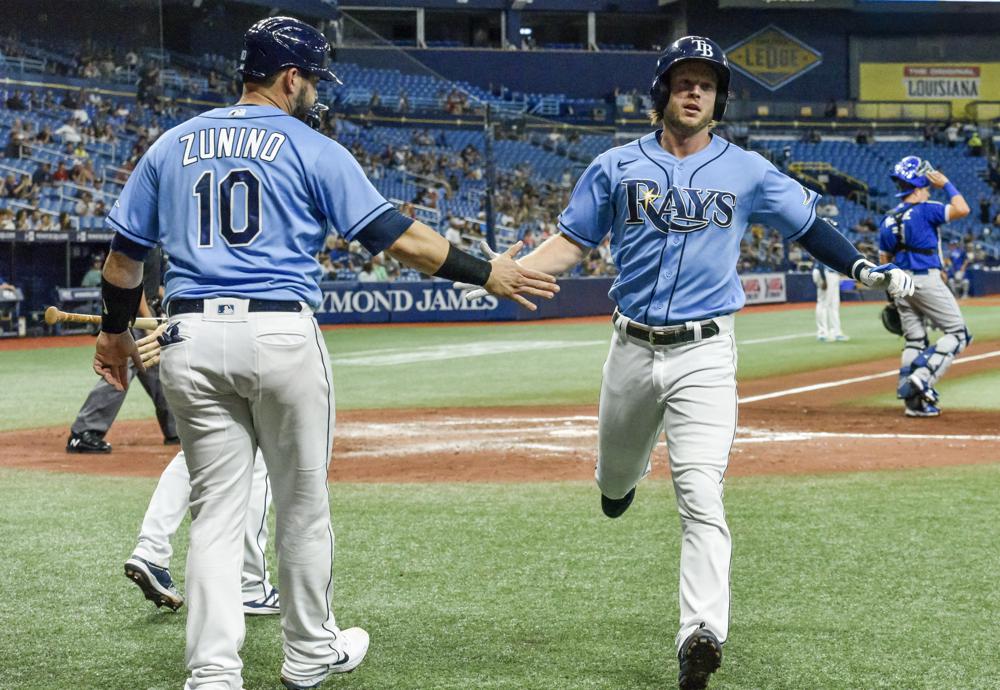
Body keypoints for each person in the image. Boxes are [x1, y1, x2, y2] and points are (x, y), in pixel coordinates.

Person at [91, 17, 556, 690]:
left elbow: (122, 263)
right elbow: (402, 240)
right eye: (312, 79)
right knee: (301, 505)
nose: (315, 92)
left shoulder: (173, 144)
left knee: (216, 514)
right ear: (289, 77)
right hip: (279, 335)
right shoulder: (311, 147)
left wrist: (112, 335)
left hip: (190, 340)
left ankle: (213, 675)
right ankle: (309, 655)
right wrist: (487, 272)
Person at [463, 35, 912, 690]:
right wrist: (501, 272)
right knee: (616, 480)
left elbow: (808, 226)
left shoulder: (749, 170)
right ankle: (617, 486)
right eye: (684, 81)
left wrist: (862, 267)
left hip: (705, 351)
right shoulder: (616, 166)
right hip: (631, 348)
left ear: (719, 99)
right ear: (663, 93)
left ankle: (700, 635)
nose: (695, 90)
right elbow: (570, 244)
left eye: (707, 83)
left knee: (700, 490)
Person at [125, 331, 279, 615]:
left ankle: (151, 548)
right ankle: (252, 585)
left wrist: (181, 324)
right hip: (238, 339)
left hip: (184, 346)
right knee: (256, 456)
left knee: (196, 451)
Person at [879, 156, 971, 418]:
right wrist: (947, 185)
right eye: (926, 186)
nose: (929, 190)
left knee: (915, 340)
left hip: (899, 283)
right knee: (958, 333)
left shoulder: (888, 219)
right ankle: (921, 378)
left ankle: (913, 403)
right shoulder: (926, 208)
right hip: (925, 278)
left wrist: (890, 297)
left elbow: (883, 261)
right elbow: (962, 209)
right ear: (918, 187)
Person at [67, 248, 176, 453]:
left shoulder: (156, 242)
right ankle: (84, 431)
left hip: (146, 311)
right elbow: (136, 284)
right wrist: (147, 320)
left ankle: (175, 429)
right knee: (122, 370)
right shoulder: (145, 240)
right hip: (134, 315)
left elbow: (152, 286)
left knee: (157, 368)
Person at [812, 261, 849, 342]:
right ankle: (823, 333)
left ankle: (835, 332)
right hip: (825, 272)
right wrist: (823, 277)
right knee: (824, 304)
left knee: (832, 305)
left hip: (829, 273)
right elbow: (821, 258)